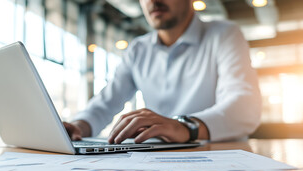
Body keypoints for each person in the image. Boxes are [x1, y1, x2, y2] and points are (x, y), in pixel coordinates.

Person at [63, 0, 261, 144]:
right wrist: (78, 127)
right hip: (160, 157)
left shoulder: (224, 34)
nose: (153, 1)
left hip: (221, 156)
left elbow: (244, 107)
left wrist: (185, 127)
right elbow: (105, 104)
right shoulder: (138, 49)